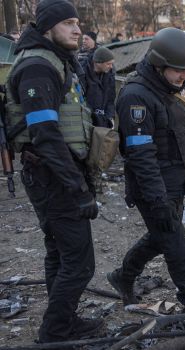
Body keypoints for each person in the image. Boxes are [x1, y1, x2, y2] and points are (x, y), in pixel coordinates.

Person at [4, 0, 102, 342]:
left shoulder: (53, 60)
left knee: (59, 253)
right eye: (69, 23)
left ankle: (63, 321)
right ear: (48, 29)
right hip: (53, 176)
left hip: (52, 173)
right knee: (79, 261)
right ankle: (56, 331)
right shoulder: (37, 67)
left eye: (77, 22)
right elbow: (45, 134)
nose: (77, 29)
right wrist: (78, 189)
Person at [107, 27, 185, 329]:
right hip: (155, 191)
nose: (184, 77)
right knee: (180, 252)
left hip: (173, 188)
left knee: (159, 237)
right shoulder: (136, 97)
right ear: (158, 64)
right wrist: (158, 201)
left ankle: (122, 276)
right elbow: (141, 157)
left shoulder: (168, 89)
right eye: (179, 70)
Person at [82, 46, 116, 128]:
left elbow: (111, 100)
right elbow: (82, 101)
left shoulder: (110, 74)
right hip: (87, 121)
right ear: (98, 63)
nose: (111, 66)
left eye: (112, 63)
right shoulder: (82, 73)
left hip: (105, 121)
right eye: (108, 64)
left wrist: (109, 118)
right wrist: (95, 118)